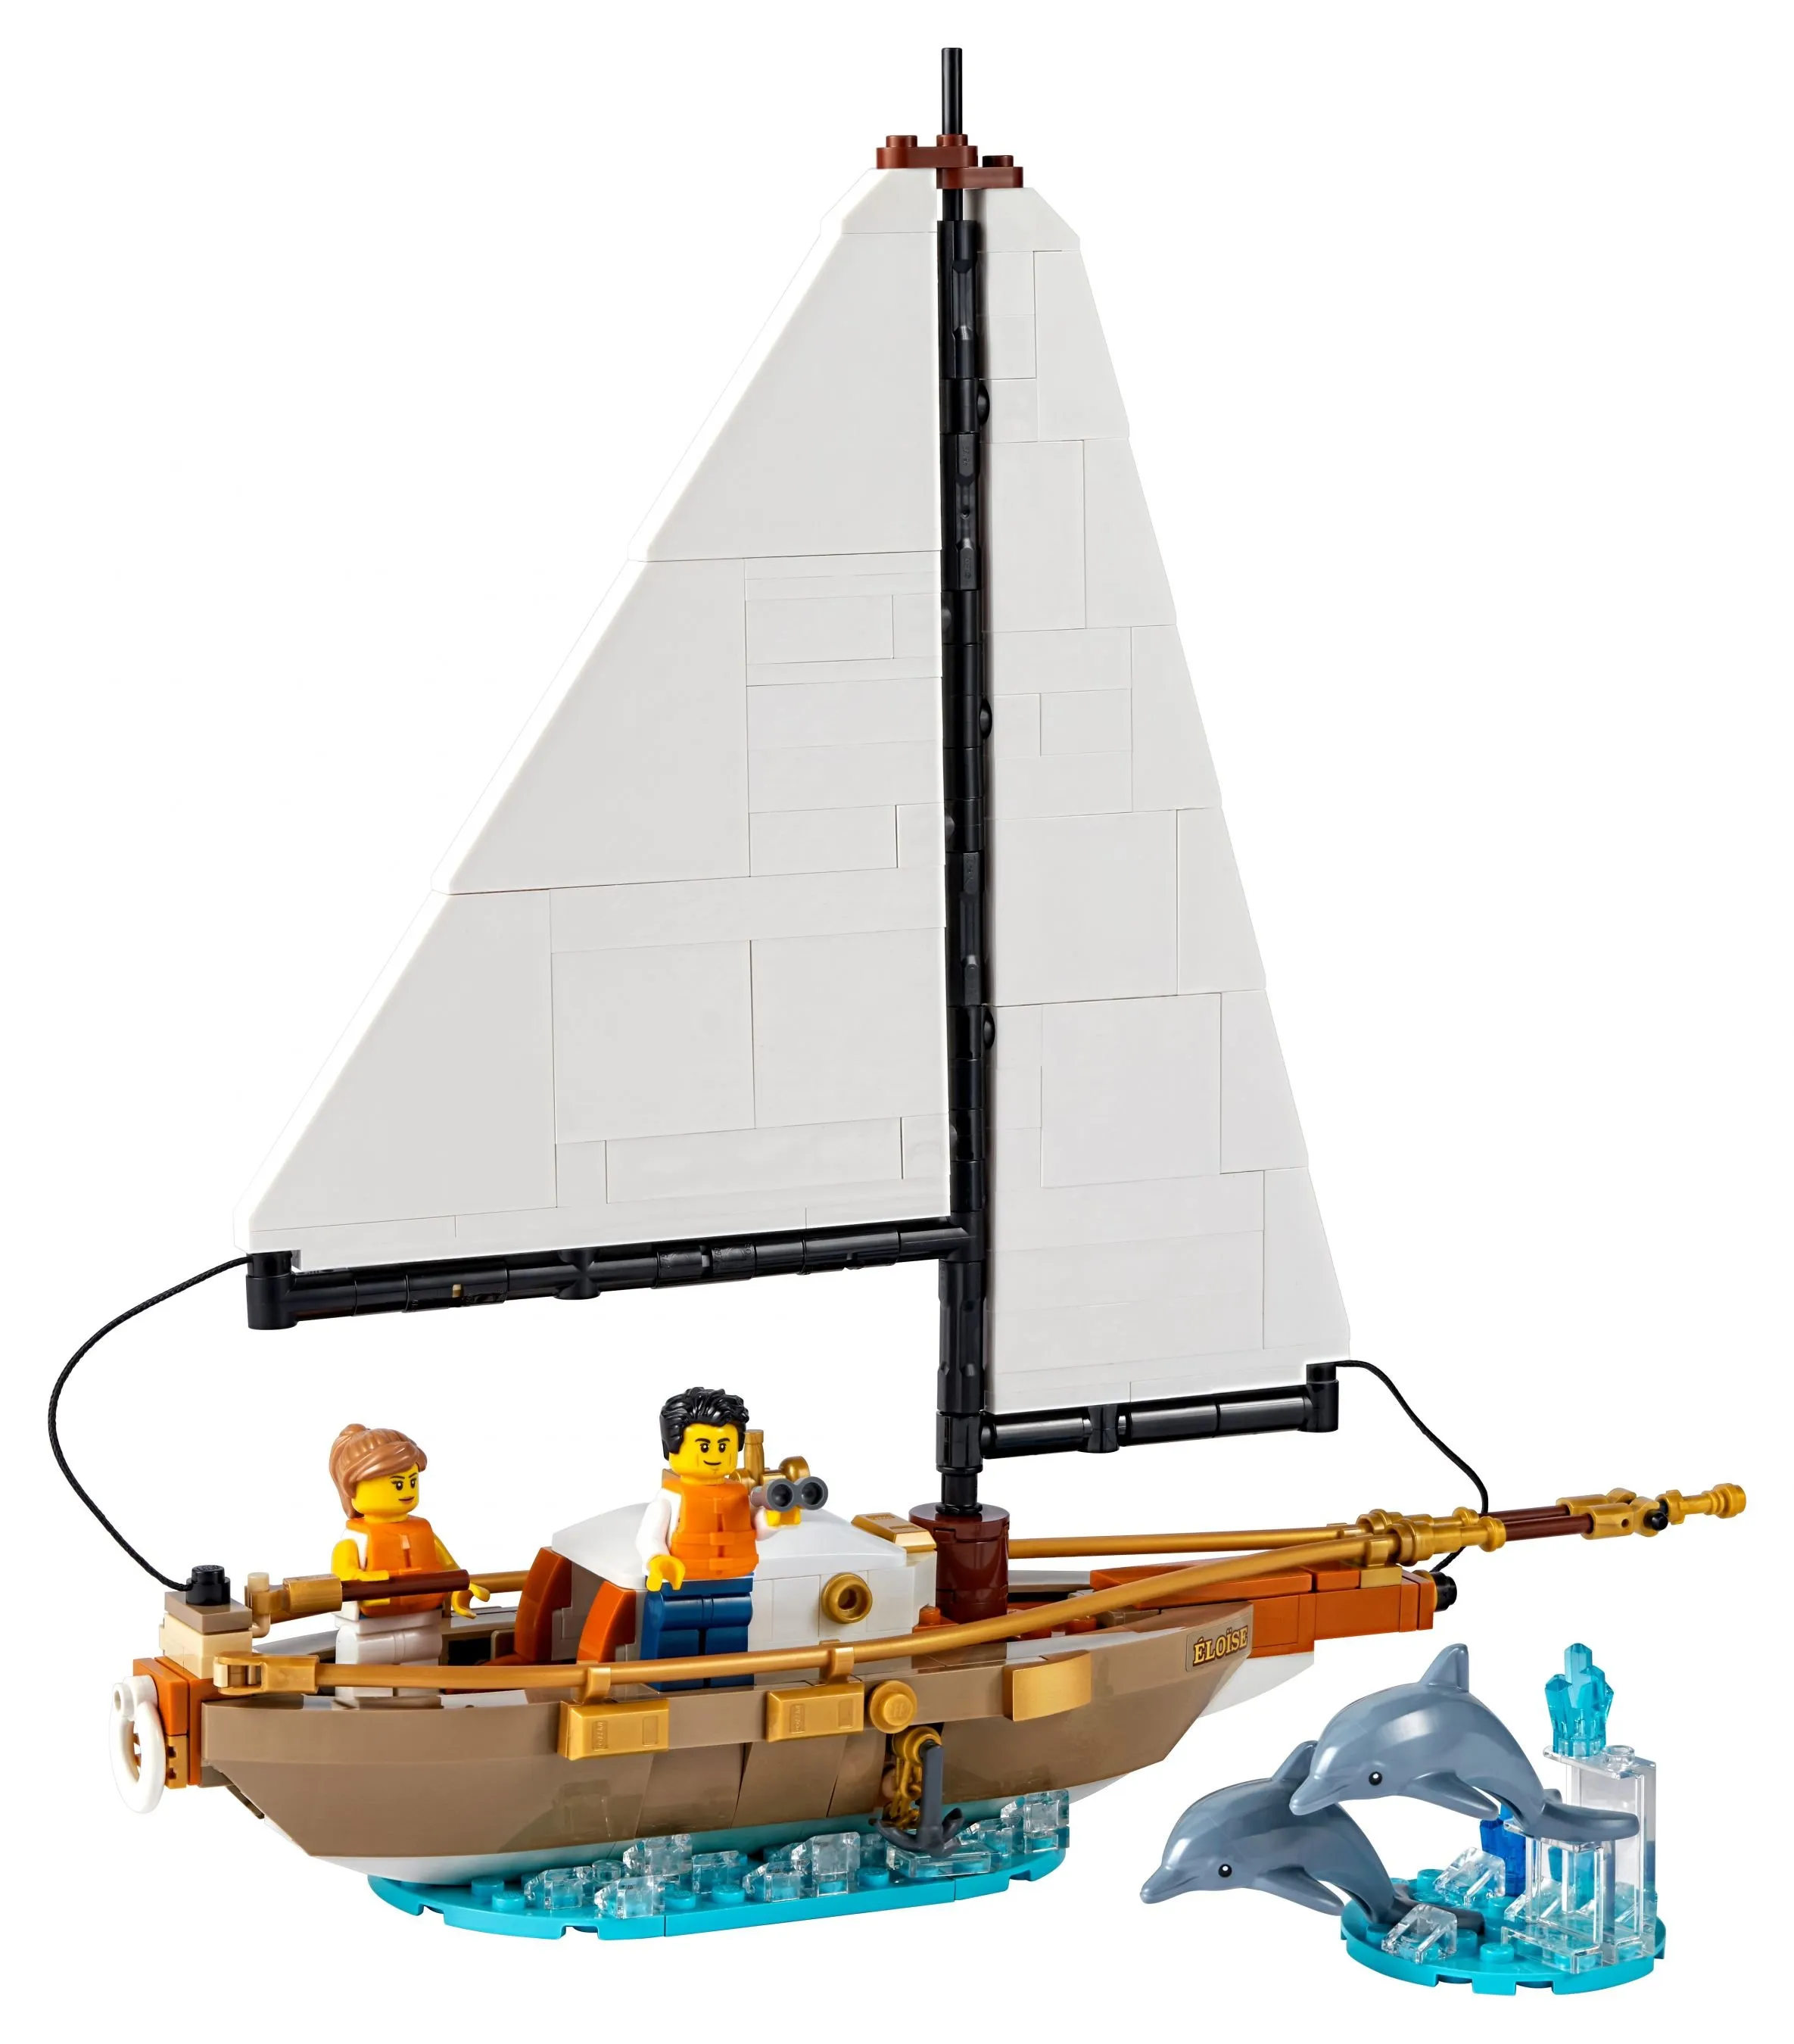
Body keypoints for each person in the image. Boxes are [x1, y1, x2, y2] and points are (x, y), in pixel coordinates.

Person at [633, 1388, 799, 1689]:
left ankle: (731, 1690)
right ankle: (669, 1688)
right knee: (675, 1640)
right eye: (704, 1446)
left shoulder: (738, 1495)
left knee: (730, 1639)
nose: (714, 1455)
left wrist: (777, 1518)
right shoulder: (670, 1499)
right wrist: (659, 1561)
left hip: (735, 1585)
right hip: (680, 1586)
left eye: (724, 1446)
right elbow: (649, 1537)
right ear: (671, 1448)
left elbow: (757, 1529)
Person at [328, 1423, 485, 1701]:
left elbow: (450, 1570)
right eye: (398, 1484)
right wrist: (363, 1579)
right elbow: (344, 1573)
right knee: (365, 1684)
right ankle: (359, 1716)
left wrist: (462, 1591)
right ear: (353, 1488)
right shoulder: (357, 1539)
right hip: (370, 1627)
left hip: (423, 1622)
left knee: (421, 1681)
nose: (407, 1490)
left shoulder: (423, 1532)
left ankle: (421, 1713)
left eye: (412, 1481)